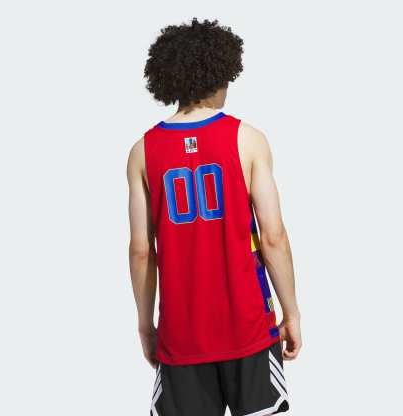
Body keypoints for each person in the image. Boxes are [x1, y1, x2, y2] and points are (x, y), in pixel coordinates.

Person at [127, 18, 302, 416]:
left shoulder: (143, 151)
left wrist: (145, 325)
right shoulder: (248, 139)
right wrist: (291, 312)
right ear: (220, 71)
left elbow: (141, 251)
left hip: (182, 334)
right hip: (249, 327)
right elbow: (273, 237)